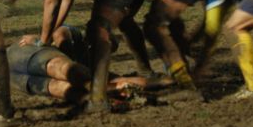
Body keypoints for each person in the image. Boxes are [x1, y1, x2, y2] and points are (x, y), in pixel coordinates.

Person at [15, 0, 156, 113]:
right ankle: (147, 73)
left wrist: (42, 40)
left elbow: (52, 1)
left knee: (98, 30)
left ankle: (98, 99)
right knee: (124, 21)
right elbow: (66, 1)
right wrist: (44, 36)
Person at [10, 26, 173, 103]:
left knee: (63, 86)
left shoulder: (95, 65)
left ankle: (102, 96)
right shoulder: (74, 37)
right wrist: (39, 41)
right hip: (26, 60)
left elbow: (120, 79)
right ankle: (101, 93)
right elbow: (61, 34)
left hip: (24, 75)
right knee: (62, 72)